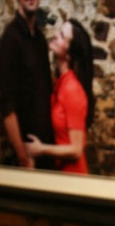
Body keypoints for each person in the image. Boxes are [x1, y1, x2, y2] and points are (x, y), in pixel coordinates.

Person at [0, 0, 54, 169]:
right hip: (29, 156)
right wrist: (23, 157)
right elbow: (7, 106)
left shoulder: (39, 38)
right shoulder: (10, 39)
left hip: (47, 147)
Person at [25, 19, 94, 174]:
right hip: (62, 173)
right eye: (59, 32)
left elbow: (76, 151)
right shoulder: (61, 82)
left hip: (73, 176)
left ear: (69, 55)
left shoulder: (72, 89)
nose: (55, 35)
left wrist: (40, 149)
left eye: (62, 36)